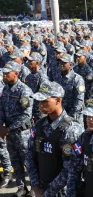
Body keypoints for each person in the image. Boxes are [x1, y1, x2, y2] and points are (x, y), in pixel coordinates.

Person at [26, 81, 83, 197]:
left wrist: (48, 193)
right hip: (41, 188)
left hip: (63, 191)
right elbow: (29, 155)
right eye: (40, 101)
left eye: (45, 101)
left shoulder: (71, 130)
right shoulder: (39, 126)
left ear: (58, 100)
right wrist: (36, 186)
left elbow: (71, 168)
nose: (41, 104)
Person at [0, 61, 34, 196]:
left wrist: (8, 128)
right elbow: (1, 108)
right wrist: (1, 125)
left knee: (28, 161)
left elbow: (26, 115)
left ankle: (33, 188)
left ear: (16, 74)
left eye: (7, 73)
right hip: (8, 131)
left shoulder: (24, 90)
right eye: (3, 73)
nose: (4, 75)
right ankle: (21, 187)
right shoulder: (5, 89)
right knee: (15, 161)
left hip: (22, 133)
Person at [54, 53, 85, 122]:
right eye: (60, 62)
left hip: (73, 114)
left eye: (64, 63)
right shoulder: (57, 77)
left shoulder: (78, 79)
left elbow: (79, 99)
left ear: (70, 65)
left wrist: (71, 115)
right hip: (60, 113)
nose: (61, 64)